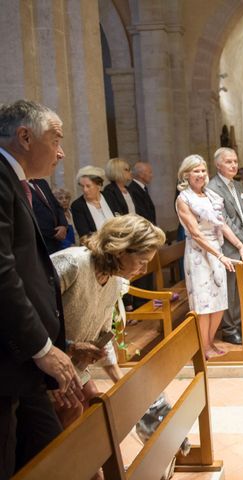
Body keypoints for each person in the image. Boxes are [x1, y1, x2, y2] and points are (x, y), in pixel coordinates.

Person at [0, 99, 83, 478]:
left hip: (25, 357)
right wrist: (40, 346)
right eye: (57, 139)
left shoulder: (19, 182)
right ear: (25, 136)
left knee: (51, 453)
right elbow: (4, 272)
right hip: (11, 354)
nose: (62, 152)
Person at [51, 214, 166, 426]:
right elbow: (30, 316)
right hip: (44, 364)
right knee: (75, 409)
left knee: (98, 404)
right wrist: (70, 347)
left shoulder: (113, 280)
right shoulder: (73, 263)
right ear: (120, 251)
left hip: (71, 368)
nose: (144, 270)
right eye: (142, 262)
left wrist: (121, 382)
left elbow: (103, 335)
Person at [184, 152, 243, 350]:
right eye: (195, 171)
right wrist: (221, 254)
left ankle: (210, 342)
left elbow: (222, 223)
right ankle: (205, 346)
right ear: (186, 175)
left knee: (220, 300)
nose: (200, 174)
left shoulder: (210, 194)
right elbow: (196, 234)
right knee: (204, 301)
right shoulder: (184, 198)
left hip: (217, 250)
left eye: (202, 170)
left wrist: (242, 245)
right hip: (200, 253)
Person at [70, 166, 115, 239]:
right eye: (82, 186)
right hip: (95, 246)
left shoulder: (110, 196)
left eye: (88, 186)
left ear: (99, 185)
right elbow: (84, 235)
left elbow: (122, 219)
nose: (85, 190)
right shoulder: (77, 205)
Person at [29, 177, 69, 254]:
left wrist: (64, 225)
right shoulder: (19, 185)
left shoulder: (42, 182)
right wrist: (52, 233)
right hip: (39, 241)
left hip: (57, 241)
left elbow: (57, 206)